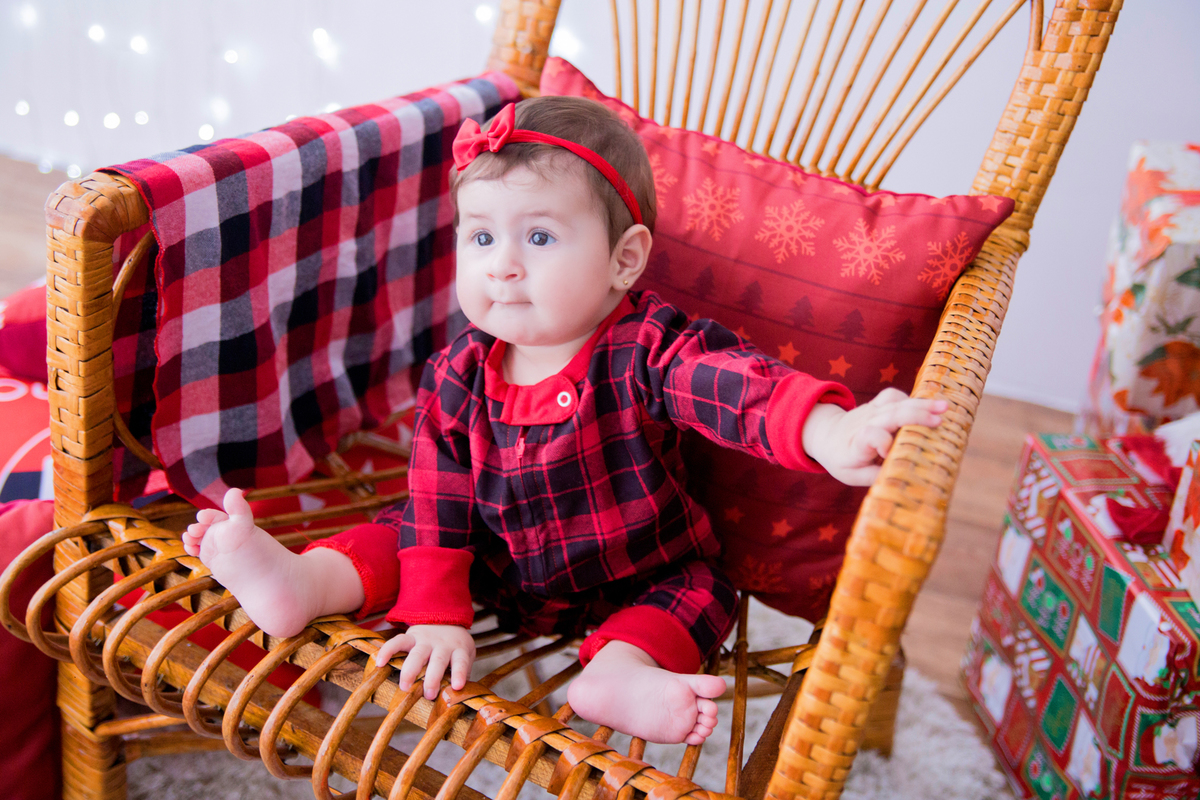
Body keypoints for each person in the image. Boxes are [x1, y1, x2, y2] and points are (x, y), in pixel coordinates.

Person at [183, 97, 947, 746]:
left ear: (624, 259)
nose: (502, 265)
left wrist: (826, 431)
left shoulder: (646, 350)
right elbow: (439, 503)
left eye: (539, 238)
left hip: (643, 572)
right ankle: (302, 582)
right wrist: (437, 612)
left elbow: (735, 388)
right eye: (482, 238)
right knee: (404, 529)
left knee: (704, 593)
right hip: (488, 559)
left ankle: (618, 677)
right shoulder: (459, 374)